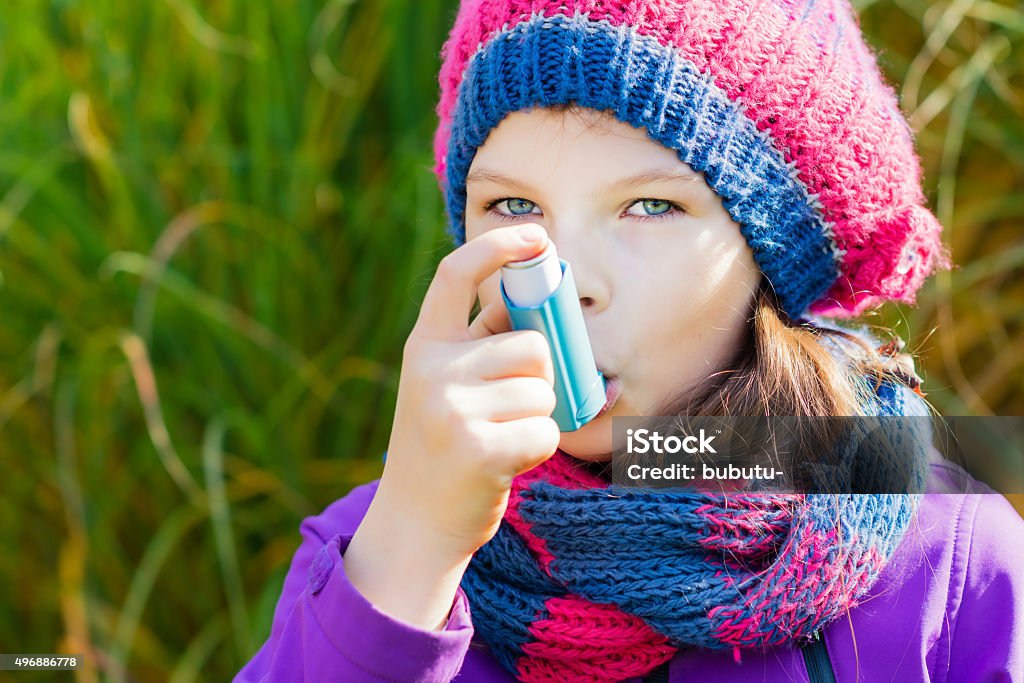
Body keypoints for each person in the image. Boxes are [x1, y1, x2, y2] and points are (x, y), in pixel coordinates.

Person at [235, 1, 1024, 681]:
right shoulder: (367, 551)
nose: (567, 276)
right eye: (512, 204)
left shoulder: (953, 565)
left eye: (649, 206)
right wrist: (415, 544)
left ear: (769, 258)